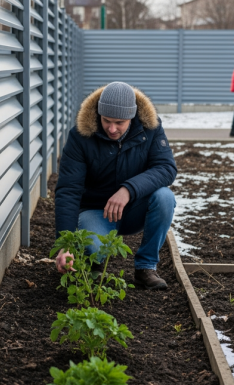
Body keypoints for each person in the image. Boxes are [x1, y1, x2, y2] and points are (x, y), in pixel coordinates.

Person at [54, 82, 177, 290]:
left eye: (119, 122)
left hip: (133, 210)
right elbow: (68, 191)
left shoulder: (150, 129)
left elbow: (166, 168)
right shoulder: (80, 136)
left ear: (133, 116)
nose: (112, 129)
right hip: (96, 212)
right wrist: (65, 244)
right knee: (92, 250)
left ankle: (145, 268)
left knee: (165, 197)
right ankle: (92, 266)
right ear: (98, 114)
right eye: (106, 121)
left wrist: (128, 190)